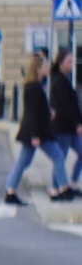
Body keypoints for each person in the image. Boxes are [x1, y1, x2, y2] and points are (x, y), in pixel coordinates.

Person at [9, 53, 63, 203]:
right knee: (58, 156)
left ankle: (10, 190)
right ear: (38, 69)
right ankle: (63, 189)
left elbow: (37, 110)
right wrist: (35, 136)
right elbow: (32, 113)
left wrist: (48, 113)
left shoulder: (35, 86)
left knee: (23, 161)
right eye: (45, 65)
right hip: (38, 133)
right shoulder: (34, 88)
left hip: (35, 131)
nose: (48, 68)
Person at [50, 48, 82, 203]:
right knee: (59, 158)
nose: (72, 64)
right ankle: (56, 189)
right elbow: (65, 106)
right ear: (61, 63)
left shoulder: (64, 79)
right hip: (62, 128)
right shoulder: (59, 81)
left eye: (72, 61)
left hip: (70, 128)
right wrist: (77, 124)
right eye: (69, 61)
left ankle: (72, 184)